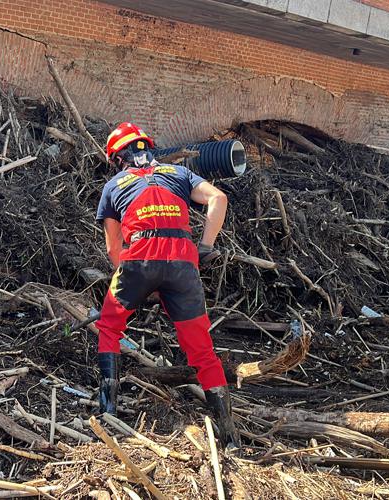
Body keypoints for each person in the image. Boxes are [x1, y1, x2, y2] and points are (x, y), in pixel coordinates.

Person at [95, 122, 239, 448]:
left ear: (118, 158)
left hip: (138, 260)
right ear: (148, 147)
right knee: (201, 349)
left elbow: (113, 249)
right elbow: (218, 199)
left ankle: (108, 410)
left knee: (109, 326)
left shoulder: (114, 186)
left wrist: (137, 280)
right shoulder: (178, 173)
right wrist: (204, 246)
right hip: (183, 264)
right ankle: (229, 433)